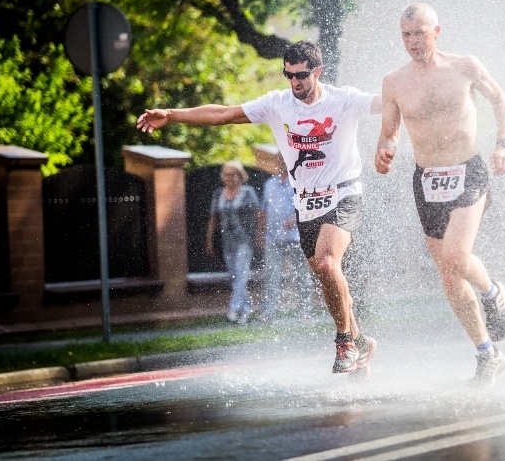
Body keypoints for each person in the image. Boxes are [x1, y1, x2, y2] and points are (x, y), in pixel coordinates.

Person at [137, 40, 383, 378]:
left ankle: (344, 342)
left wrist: (399, 125)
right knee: (324, 273)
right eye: (289, 75)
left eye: (302, 75)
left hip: (344, 192)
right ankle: (360, 340)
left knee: (328, 260)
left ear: (318, 71)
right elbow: (223, 114)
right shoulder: (278, 104)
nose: (295, 82)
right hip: (306, 201)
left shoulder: (344, 100)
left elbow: (391, 102)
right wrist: (172, 115)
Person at [374, 2, 505, 387]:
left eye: (419, 33)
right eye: (406, 34)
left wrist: (503, 144)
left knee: (455, 257)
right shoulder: (394, 81)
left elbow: (500, 100)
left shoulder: (464, 66)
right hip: (426, 179)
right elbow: (390, 131)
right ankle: (488, 353)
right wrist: (383, 149)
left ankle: (491, 291)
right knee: (448, 272)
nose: (412, 41)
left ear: (437, 32)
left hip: (468, 171)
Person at [257, 156, 316, 321]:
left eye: (285, 158)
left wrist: (295, 218)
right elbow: (263, 210)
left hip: (296, 237)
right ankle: (269, 311)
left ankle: (305, 311)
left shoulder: (299, 181)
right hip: (273, 237)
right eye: (280, 159)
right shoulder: (269, 183)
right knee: (271, 275)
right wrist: (261, 233)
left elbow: (308, 206)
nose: (283, 162)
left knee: (301, 275)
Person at [206, 160, 260, 324]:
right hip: (227, 241)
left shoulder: (248, 192)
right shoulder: (218, 194)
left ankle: (234, 308)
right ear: (223, 176)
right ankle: (245, 310)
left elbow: (259, 214)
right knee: (234, 276)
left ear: (241, 176)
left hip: (244, 239)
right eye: (228, 174)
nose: (231, 178)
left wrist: (259, 235)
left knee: (241, 275)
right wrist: (208, 241)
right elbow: (213, 219)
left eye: (235, 174)